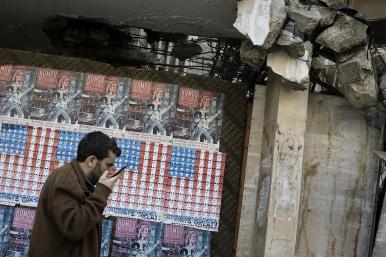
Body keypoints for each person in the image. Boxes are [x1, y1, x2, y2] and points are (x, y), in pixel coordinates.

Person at [28, 131, 124, 257]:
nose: (111, 171)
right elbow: (74, 227)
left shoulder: (82, 181)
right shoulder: (65, 179)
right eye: (108, 165)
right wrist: (102, 192)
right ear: (92, 160)